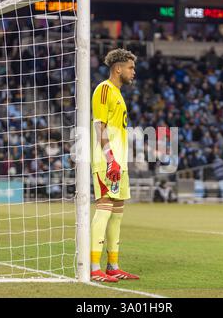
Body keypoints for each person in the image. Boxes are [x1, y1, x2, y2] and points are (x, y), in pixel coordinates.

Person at [90, 49, 139, 283]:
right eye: (130, 67)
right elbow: (99, 126)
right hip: (107, 161)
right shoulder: (104, 89)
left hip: (120, 163)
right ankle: (93, 267)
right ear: (118, 68)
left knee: (117, 214)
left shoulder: (118, 94)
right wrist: (110, 159)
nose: (133, 72)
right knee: (104, 208)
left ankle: (113, 266)